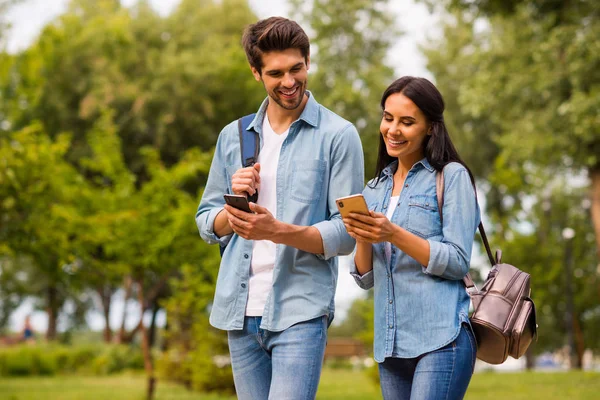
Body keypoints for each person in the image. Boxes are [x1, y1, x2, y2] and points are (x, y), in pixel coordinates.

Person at [195, 17, 364, 400]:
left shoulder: (338, 136)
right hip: (239, 311)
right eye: (276, 73)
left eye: (296, 69)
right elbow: (207, 222)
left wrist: (275, 230)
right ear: (256, 73)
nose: (289, 82)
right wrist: (231, 214)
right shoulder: (234, 137)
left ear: (308, 62)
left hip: (300, 309)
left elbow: (345, 233)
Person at [343, 76, 479, 400]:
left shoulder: (451, 176)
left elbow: (458, 261)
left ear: (430, 127)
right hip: (390, 346)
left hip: (441, 338)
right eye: (388, 118)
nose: (393, 129)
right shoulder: (375, 188)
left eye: (407, 122)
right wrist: (363, 234)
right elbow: (364, 278)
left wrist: (393, 233)